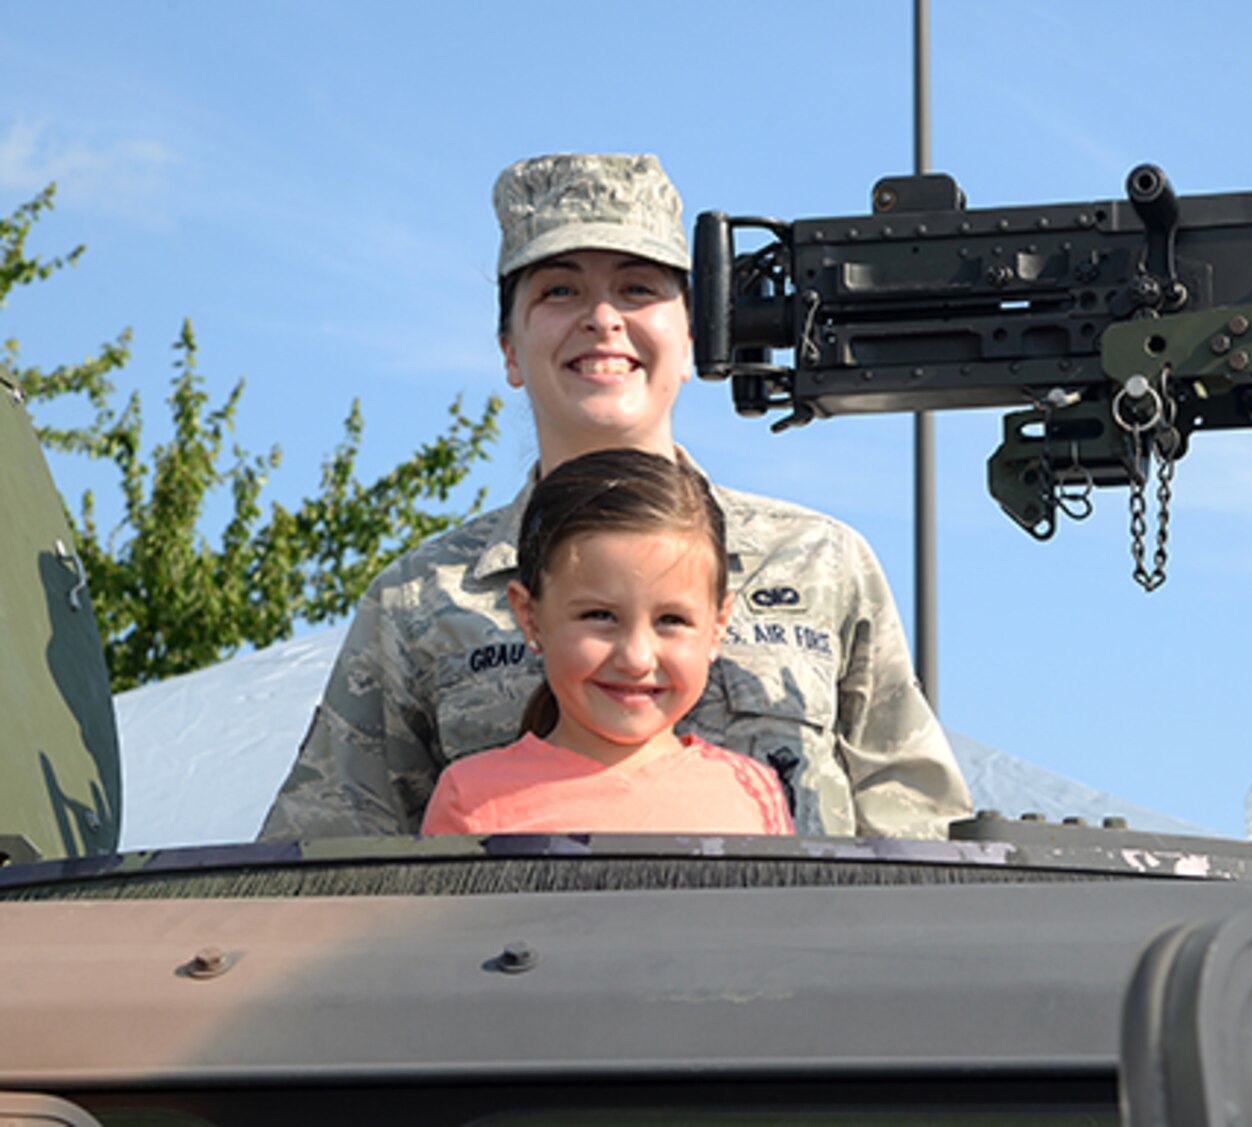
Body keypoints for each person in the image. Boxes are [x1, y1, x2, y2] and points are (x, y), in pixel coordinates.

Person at [260, 153, 970, 840]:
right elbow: (318, 868)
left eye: (637, 288)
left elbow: (925, 837)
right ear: (509, 348)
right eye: (559, 290)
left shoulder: (821, 563)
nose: (602, 318)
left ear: (692, 340)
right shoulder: (418, 603)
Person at [421, 448, 792, 836]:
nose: (636, 658)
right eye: (599, 616)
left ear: (718, 624)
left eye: (671, 620)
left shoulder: (751, 793)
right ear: (530, 616)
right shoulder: (471, 797)